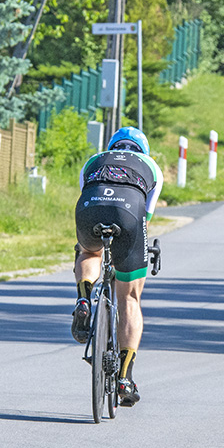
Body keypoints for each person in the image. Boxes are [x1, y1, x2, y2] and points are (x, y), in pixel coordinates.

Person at [71, 127, 164, 407]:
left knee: (89, 250)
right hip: (129, 213)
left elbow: (87, 192)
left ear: (112, 145)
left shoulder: (94, 160)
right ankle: (125, 377)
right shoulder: (151, 166)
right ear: (143, 151)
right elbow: (145, 217)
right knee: (130, 299)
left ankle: (84, 298)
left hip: (90, 210)